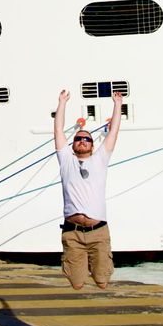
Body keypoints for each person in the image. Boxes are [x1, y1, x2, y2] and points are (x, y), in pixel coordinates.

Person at [54, 89, 122, 290]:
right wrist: (62, 102)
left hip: (98, 232)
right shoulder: (66, 160)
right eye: (78, 139)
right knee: (76, 284)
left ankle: (98, 272)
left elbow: (114, 132)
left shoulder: (100, 160)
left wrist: (117, 104)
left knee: (102, 282)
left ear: (92, 145)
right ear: (72, 145)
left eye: (87, 139)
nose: (82, 140)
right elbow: (58, 130)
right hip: (72, 233)